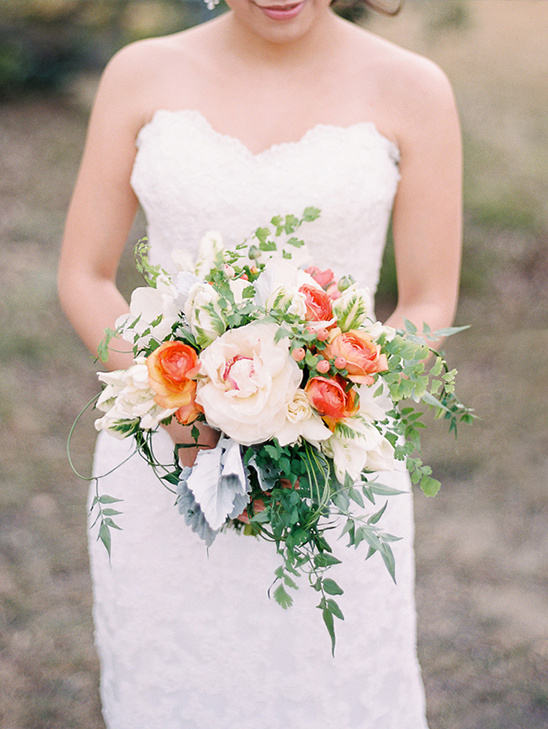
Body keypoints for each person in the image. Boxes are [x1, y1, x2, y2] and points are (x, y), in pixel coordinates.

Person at [58, 0, 462, 727]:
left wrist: (330, 410)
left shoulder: (416, 89)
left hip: (334, 477)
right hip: (162, 468)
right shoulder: (140, 73)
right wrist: (180, 412)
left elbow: (430, 298)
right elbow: (84, 276)